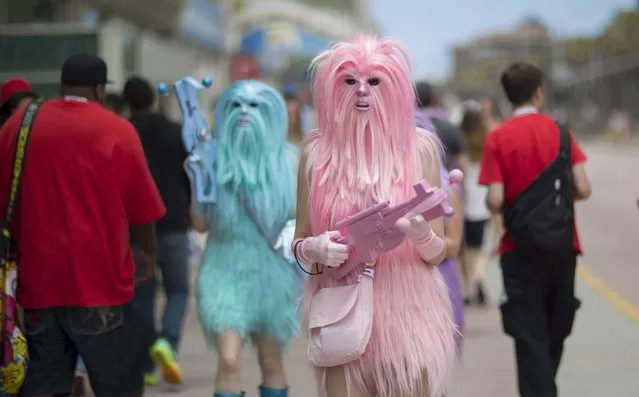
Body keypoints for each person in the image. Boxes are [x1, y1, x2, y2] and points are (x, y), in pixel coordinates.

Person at [292, 35, 456, 397]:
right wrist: (314, 249)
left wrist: (423, 236)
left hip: (408, 315)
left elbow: (439, 252)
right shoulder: (316, 157)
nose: (362, 91)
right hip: (341, 312)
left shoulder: (420, 151)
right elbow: (298, 240)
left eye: (374, 81)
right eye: (350, 81)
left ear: (394, 88)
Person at [0, 53, 165, 397]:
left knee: (45, 386)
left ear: (62, 85)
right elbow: (142, 209)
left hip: (37, 289)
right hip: (100, 290)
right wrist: (149, 254)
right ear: (101, 89)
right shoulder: (118, 129)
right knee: (118, 385)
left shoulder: (19, 124)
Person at [478, 62, 592, 397]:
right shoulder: (560, 132)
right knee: (555, 329)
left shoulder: (497, 137)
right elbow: (583, 188)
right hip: (562, 247)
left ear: (509, 96)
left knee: (529, 337)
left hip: (519, 250)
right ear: (538, 93)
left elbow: (496, 199)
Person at [191, 80, 300, 397]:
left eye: (254, 106)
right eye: (237, 105)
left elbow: (300, 221)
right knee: (228, 360)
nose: (244, 112)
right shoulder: (210, 160)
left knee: (271, 360)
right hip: (223, 273)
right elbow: (199, 224)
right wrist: (198, 181)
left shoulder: (289, 162)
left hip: (272, 274)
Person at [121, 76, 191, 387]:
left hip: (136, 229)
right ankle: (168, 342)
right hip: (174, 222)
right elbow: (191, 173)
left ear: (126, 102)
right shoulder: (175, 132)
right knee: (178, 290)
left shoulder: (124, 133)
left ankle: (148, 363)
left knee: (143, 296)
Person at [459, 106, 491, 306]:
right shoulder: (487, 142)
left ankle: (468, 285)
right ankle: (478, 277)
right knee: (479, 248)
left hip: (464, 200)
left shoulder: (459, 141)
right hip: (482, 201)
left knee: (464, 249)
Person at [415, 81, 468, 172]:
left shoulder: (407, 128)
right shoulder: (448, 126)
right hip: (445, 182)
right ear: (433, 100)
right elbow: (461, 161)